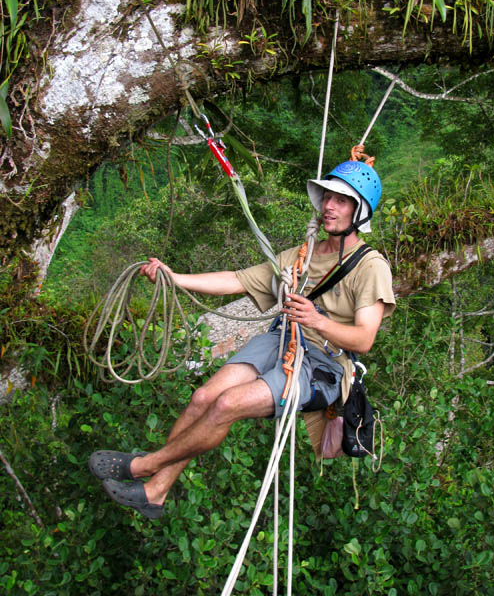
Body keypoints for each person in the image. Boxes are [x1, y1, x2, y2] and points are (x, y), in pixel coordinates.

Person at [89, 160, 396, 519]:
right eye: (327, 197)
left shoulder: (370, 266)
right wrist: (175, 278)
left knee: (226, 405)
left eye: (341, 201)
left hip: (323, 364)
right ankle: (156, 492)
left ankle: (144, 467)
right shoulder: (301, 255)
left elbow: (363, 340)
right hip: (282, 340)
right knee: (203, 397)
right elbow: (237, 280)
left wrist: (317, 321)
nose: (329, 206)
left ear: (359, 211)